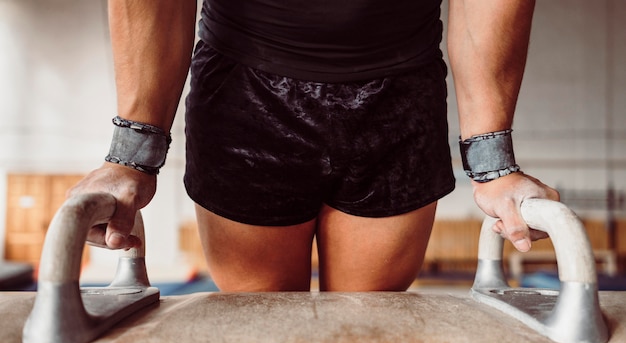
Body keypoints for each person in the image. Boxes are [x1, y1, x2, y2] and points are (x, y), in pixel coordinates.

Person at [69, 0, 559, 291]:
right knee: (260, 339)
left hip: (397, 94)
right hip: (247, 95)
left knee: (367, 336)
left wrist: (494, 164)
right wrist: (132, 153)